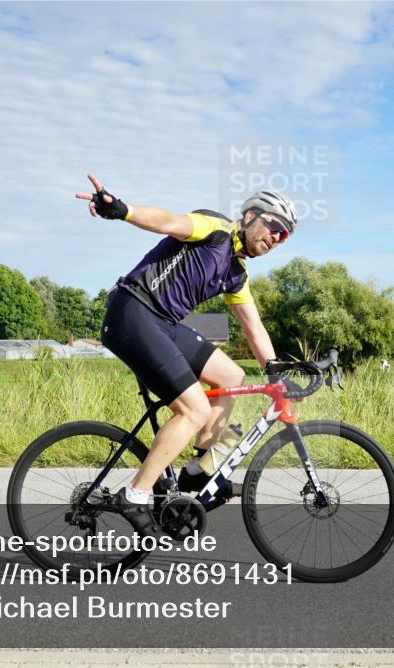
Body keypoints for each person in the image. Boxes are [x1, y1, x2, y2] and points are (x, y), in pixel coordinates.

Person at [75, 174, 297, 535]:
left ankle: (196, 473)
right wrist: (121, 210)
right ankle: (135, 494)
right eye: (274, 226)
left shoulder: (236, 274)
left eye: (284, 235)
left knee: (232, 377)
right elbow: (168, 221)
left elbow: (254, 328)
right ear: (252, 215)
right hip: (133, 311)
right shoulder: (215, 230)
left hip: (163, 323)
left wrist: (277, 374)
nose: (276, 238)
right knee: (195, 409)